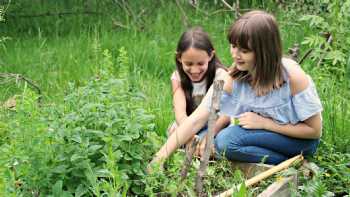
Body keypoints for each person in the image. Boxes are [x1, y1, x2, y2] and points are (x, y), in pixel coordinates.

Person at [150, 10, 322, 166]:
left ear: (265, 51)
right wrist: (158, 160)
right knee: (196, 139)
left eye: (244, 51)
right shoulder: (233, 77)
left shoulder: (293, 77)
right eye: (233, 46)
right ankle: (271, 160)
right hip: (260, 136)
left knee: (226, 141)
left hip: (299, 140)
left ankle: (293, 162)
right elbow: (196, 119)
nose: (235, 54)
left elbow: (314, 131)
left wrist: (266, 124)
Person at [167, 27, 230, 146]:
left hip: (217, 124)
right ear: (179, 58)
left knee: (204, 142)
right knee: (173, 131)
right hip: (190, 123)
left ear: (211, 56)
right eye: (189, 64)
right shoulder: (177, 77)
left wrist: (208, 136)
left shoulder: (221, 76)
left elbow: (226, 116)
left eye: (200, 63)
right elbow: (180, 112)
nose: (195, 70)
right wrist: (188, 135)